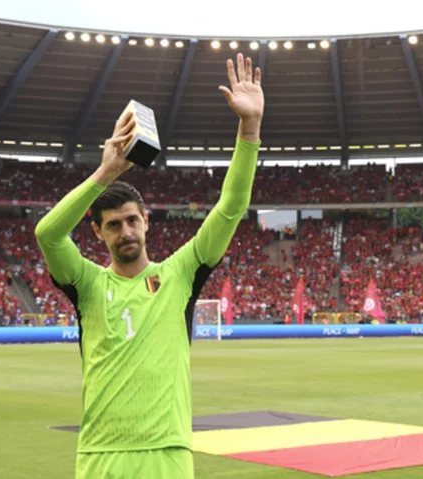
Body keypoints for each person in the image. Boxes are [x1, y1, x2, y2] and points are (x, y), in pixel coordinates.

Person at [34, 54, 264, 479]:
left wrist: (249, 129)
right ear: (99, 233)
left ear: (146, 220)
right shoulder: (85, 282)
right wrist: (104, 173)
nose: (126, 231)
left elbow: (231, 207)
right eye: (114, 225)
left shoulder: (180, 272)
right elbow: (48, 234)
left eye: (132, 220)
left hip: (167, 454)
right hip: (100, 455)